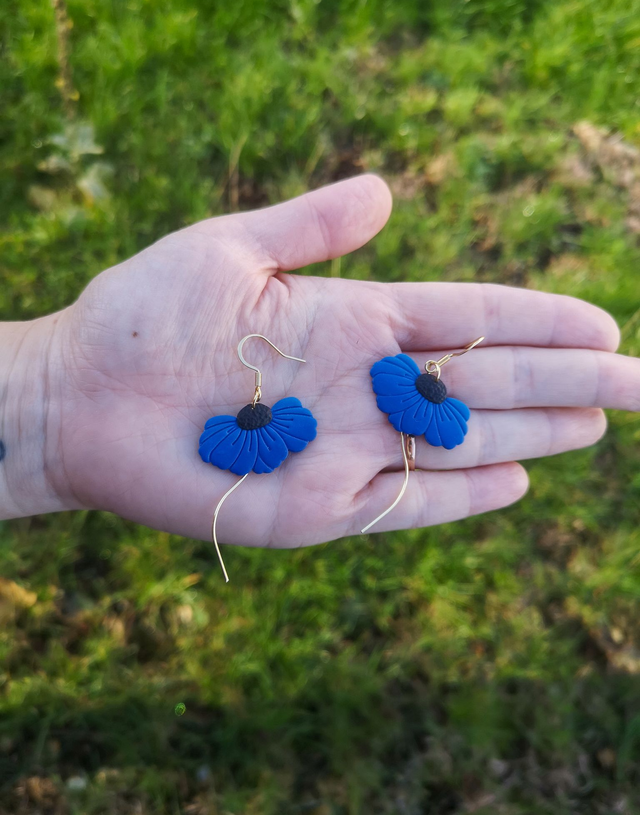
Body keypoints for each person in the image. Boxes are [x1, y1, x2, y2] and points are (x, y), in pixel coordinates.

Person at [1, 175, 638, 550]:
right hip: (276, 422)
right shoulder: (305, 410)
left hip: (372, 405)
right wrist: (52, 383)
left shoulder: (380, 393)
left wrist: (43, 387)